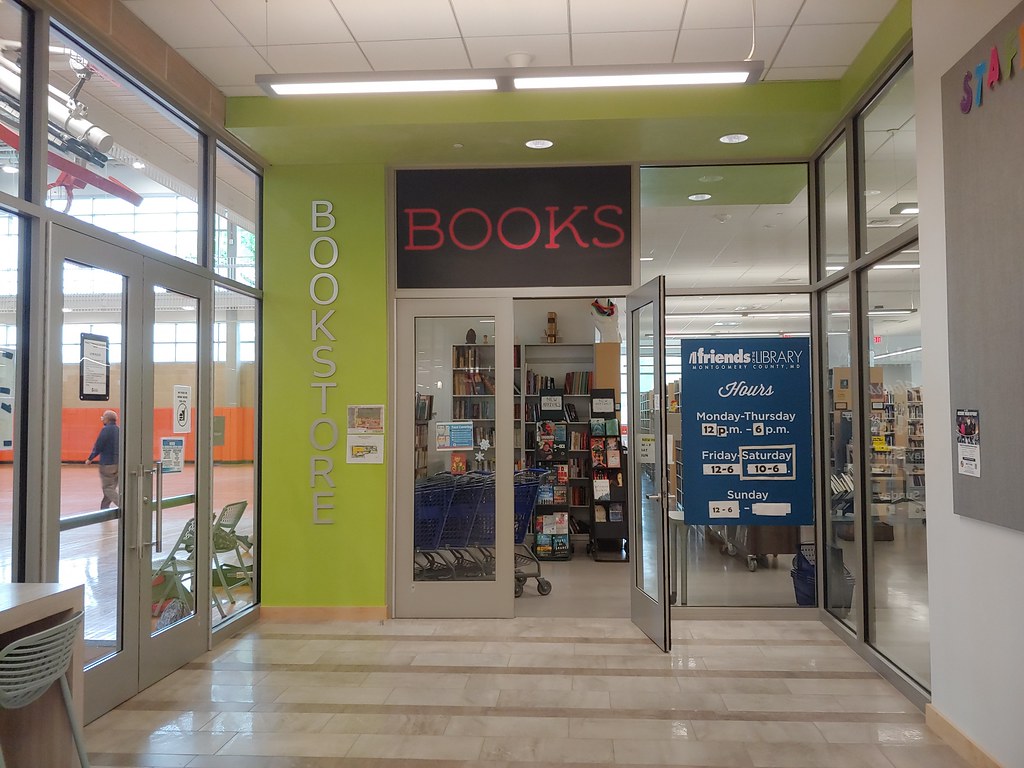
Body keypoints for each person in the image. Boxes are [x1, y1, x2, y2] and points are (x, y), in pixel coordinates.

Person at [85, 409, 120, 509]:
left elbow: (98, 446)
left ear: (107, 419)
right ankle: (104, 509)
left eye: (103, 417)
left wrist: (90, 458)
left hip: (107, 464)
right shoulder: (119, 430)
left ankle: (124, 505)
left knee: (108, 488)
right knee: (111, 488)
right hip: (118, 464)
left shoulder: (105, 430)